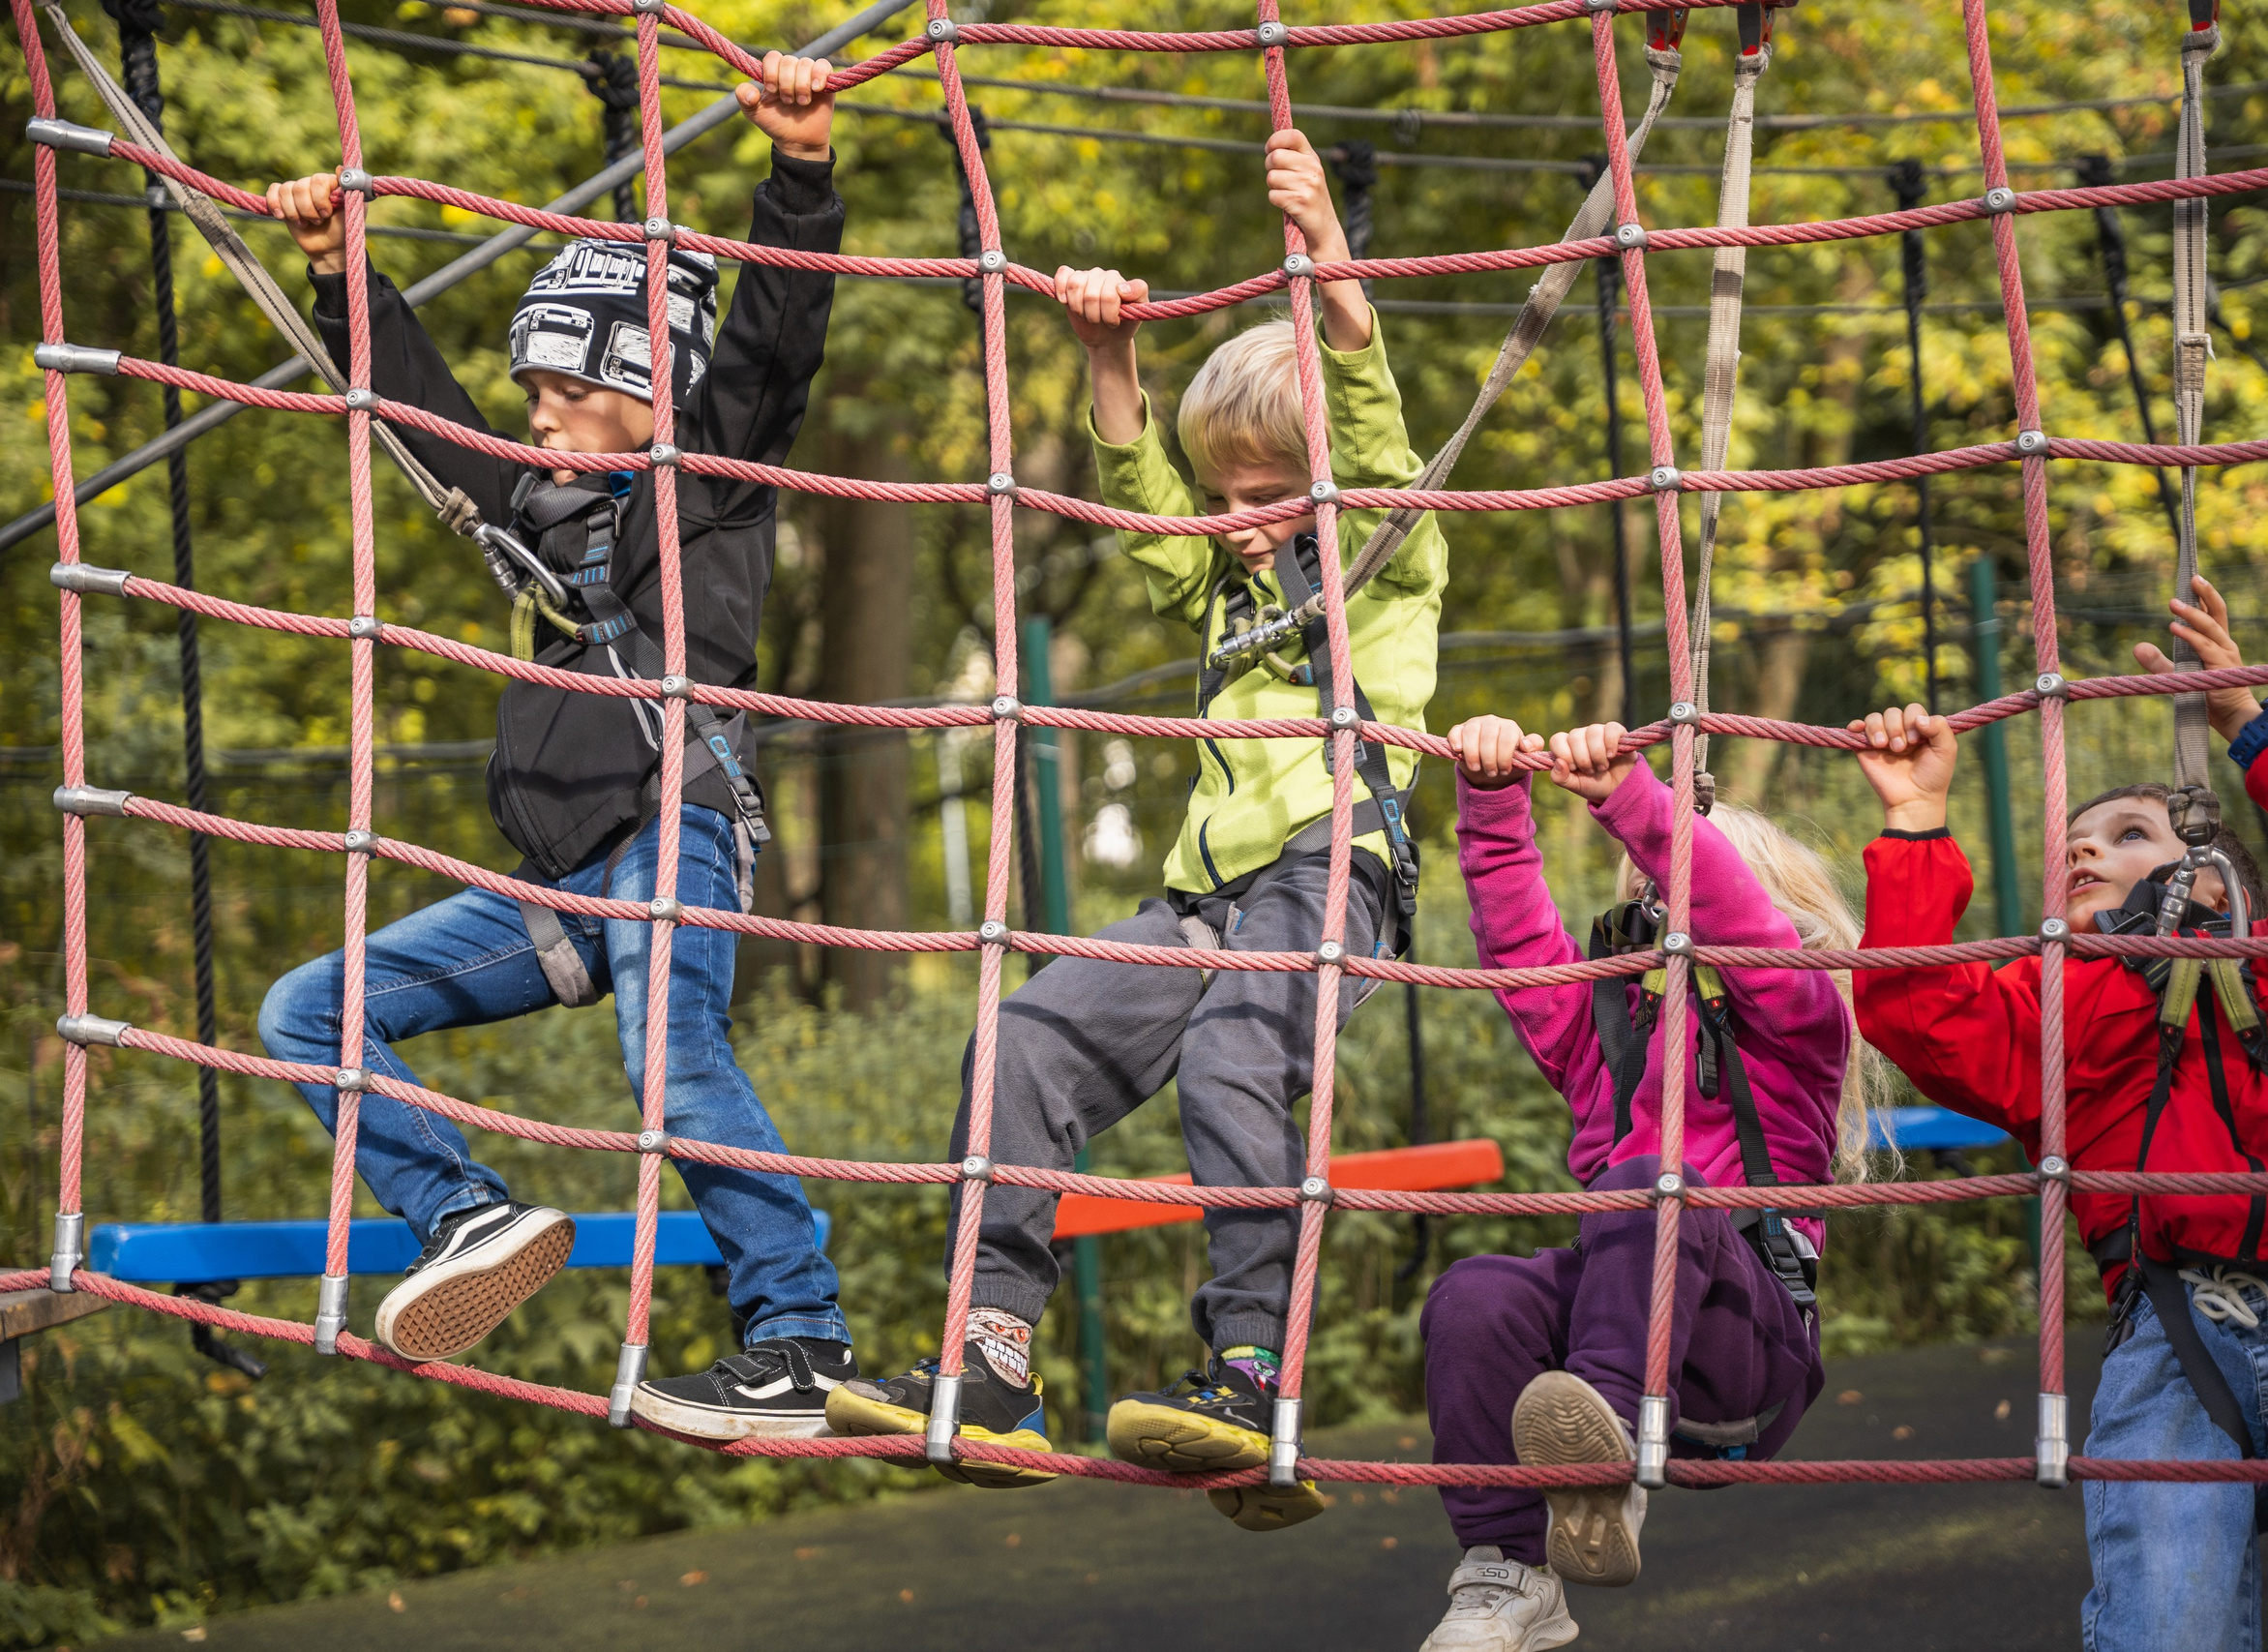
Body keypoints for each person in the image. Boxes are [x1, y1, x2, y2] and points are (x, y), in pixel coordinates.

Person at [828, 131, 1444, 1527]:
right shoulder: (1219, 590)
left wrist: (1329, 252)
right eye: (1224, 492)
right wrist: (1109, 353)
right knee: (1025, 1037)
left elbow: (1370, 410)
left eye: (1264, 493)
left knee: (1237, 1051)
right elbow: (1144, 506)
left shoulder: (1392, 551)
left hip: (1330, 871)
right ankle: (993, 1360)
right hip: (1202, 897)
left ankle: (1249, 1369)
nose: (1236, 521)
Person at [255, 55, 854, 1440]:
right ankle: (469, 1214)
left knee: (671, 1058)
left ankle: (800, 1332)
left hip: (672, 829)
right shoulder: (536, 511)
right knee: (311, 1008)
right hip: (560, 877)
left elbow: (773, 342)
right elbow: (418, 413)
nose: (533, 411)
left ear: (647, 385)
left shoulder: (705, 486)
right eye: (528, 388)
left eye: (562, 387)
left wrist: (800, 177)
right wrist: (344, 271)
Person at [1849, 576, 2268, 1650]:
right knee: (2160, 1617)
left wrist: (2247, 719)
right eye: (2071, 848)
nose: (2084, 850)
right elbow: (1914, 1005)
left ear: (2215, 878)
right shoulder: (2053, 1006)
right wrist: (1915, 821)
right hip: (2171, 1334)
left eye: (2127, 832)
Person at [1409, 717, 1857, 1651]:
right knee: (1475, 1292)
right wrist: (1493, 800)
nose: (1672, 911)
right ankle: (1510, 1570)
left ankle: (1601, 1441)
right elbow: (1523, 950)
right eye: (1653, 897)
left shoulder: (1802, 1019)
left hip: (1742, 1347)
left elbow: (1737, 923)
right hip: (1618, 1318)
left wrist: (1632, 796)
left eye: (1683, 883)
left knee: (1659, 1183)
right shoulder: (1611, 1032)